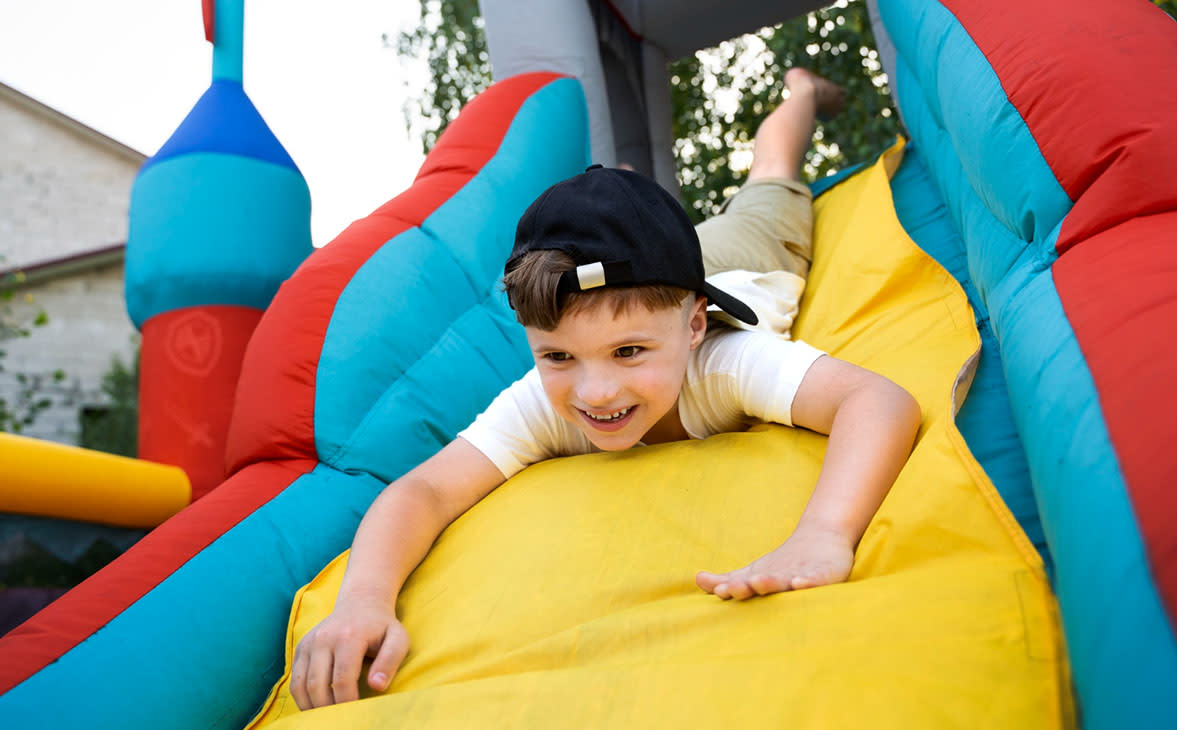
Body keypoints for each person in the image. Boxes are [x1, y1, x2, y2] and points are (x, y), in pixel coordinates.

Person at [289, 68, 921, 711]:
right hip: (662, 276)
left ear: (695, 325)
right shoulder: (545, 400)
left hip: (748, 251)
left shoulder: (724, 364)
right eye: (558, 355)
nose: (595, 391)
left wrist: (824, 532)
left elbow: (878, 401)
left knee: (769, 174)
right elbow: (422, 490)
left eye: (628, 353)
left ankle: (803, 94)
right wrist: (365, 597)